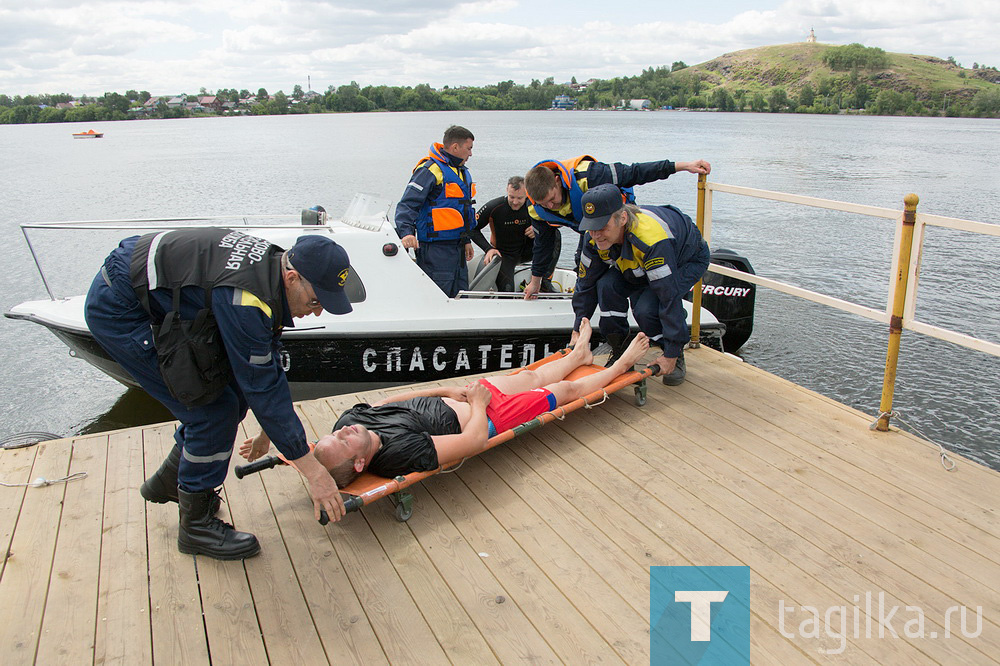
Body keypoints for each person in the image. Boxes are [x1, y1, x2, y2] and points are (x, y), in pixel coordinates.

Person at [84, 228, 352, 560]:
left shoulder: (272, 272)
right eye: (315, 301)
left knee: (233, 395)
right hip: (121, 309)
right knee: (210, 412)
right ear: (293, 278)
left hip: (150, 285)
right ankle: (195, 526)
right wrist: (315, 472)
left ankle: (170, 482)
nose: (317, 312)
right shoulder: (245, 297)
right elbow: (262, 384)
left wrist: (269, 431)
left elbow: (263, 369)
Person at [240, 320, 650, 500]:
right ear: (362, 462)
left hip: (463, 397)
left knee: (528, 376)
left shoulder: (351, 423)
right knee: (560, 390)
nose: (342, 431)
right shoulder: (398, 455)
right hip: (485, 416)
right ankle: (618, 366)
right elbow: (474, 442)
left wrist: (451, 388)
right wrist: (476, 403)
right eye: (343, 442)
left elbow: (390, 400)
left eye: (334, 434)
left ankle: (579, 350)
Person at [571, 184, 711, 386]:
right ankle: (620, 352)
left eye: (602, 227)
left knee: (646, 309)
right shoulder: (593, 237)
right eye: (591, 227)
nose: (596, 234)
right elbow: (585, 284)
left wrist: (670, 353)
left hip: (684, 260)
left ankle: (675, 353)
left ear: (622, 219)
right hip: (637, 263)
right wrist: (577, 331)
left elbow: (668, 296)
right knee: (606, 287)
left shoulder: (651, 239)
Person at [521, 155, 711, 300]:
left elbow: (636, 172)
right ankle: (591, 307)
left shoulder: (592, 175)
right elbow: (543, 246)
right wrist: (535, 282)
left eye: (552, 200)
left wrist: (682, 166)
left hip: (621, 221)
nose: (551, 207)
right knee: (584, 262)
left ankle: (648, 297)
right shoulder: (536, 209)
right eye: (543, 204)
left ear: (557, 181)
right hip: (589, 226)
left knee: (631, 262)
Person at [395, 125, 477, 297]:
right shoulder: (430, 170)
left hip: (458, 248)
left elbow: (463, 210)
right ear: (455, 147)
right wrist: (407, 233)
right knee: (437, 295)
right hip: (435, 251)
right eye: (468, 148)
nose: (470, 154)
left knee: (462, 295)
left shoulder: (462, 172)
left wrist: (467, 240)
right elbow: (407, 205)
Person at [468, 176, 558, 292]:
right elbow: (472, 229)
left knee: (555, 235)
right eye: (512, 197)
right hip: (505, 256)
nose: (515, 202)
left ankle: (545, 281)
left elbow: (554, 224)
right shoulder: (495, 207)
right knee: (507, 290)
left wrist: (538, 229)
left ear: (527, 193)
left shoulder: (535, 205)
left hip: (529, 251)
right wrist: (488, 249)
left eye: (520, 198)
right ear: (507, 190)